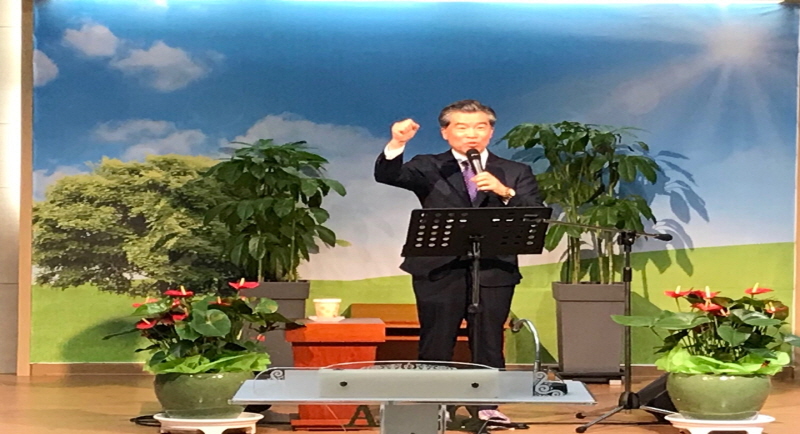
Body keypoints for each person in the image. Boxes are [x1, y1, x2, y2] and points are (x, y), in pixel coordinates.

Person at [374, 99, 544, 424]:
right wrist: (397, 143)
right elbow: (388, 174)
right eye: (462, 127)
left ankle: (486, 406)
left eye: (480, 127)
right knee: (437, 339)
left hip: (494, 269)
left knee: (489, 340)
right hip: (439, 268)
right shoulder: (429, 165)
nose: (472, 134)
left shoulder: (514, 171)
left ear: (491, 132)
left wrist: (504, 192)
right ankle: (435, 404)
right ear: (445, 132)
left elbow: (535, 213)